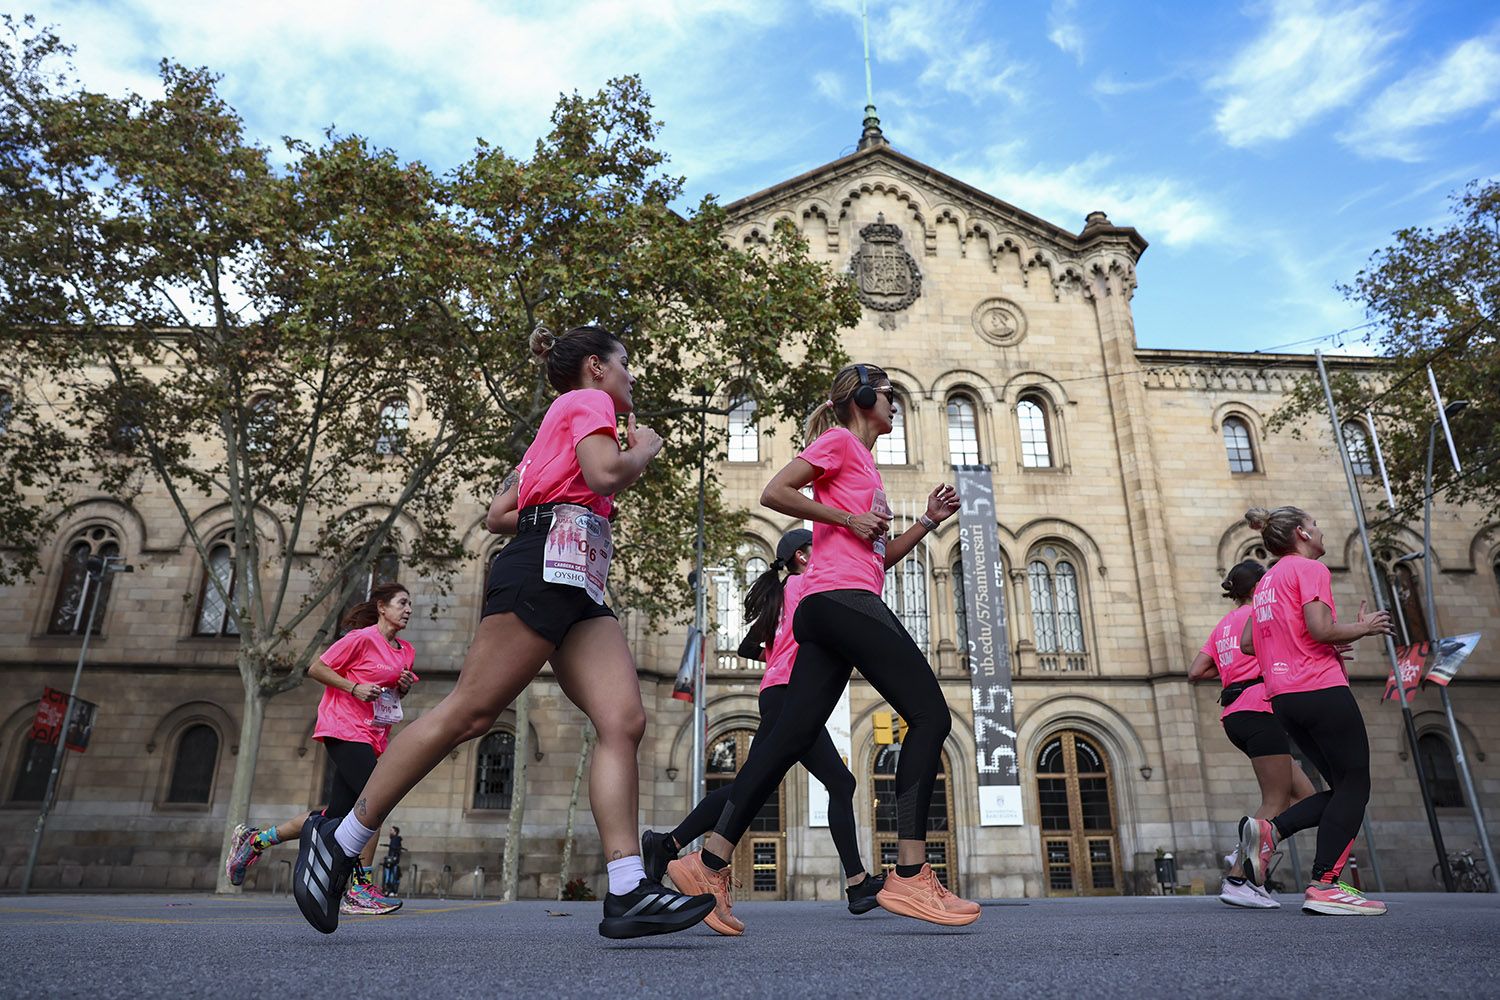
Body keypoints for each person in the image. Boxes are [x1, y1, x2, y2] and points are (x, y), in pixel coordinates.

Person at [291, 325, 713, 938]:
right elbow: (602, 476)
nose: (632, 377)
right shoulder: (587, 403)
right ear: (596, 367)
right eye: (626, 365)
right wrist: (642, 447)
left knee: (624, 720)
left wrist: (552, 501)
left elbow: (496, 512)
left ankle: (627, 890)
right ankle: (340, 839)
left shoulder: (556, 423)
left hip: (579, 576)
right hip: (544, 567)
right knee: (469, 713)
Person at [667, 362, 978, 931]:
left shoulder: (866, 464)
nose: (893, 403)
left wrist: (927, 522)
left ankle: (707, 862)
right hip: (840, 602)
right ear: (861, 399)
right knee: (931, 716)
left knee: (786, 741)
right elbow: (775, 490)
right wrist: (845, 516)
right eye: (887, 394)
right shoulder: (837, 442)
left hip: (833, 604)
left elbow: (875, 557)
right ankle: (909, 874)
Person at [642, 529, 884, 935]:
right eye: (822, 547)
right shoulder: (811, 583)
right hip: (791, 694)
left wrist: (775, 652)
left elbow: (746, 648)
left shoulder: (783, 592)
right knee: (777, 784)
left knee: (798, 782)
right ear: (805, 556)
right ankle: (668, 846)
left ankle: (667, 844)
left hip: (780, 692)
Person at [1235, 506, 1395, 916]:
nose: (1320, 530)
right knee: (1356, 784)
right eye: (1317, 524)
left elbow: (1251, 643)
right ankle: (1325, 885)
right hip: (1320, 688)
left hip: (1284, 698)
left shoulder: (1267, 580)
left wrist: (1312, 644)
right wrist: (1365, 627)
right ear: (1302, 533)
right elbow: (1320, 628)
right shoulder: (1309, 570)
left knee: (1343, 787)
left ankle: (1269, 832)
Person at [225, 583, 418, 916]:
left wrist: (400, 689)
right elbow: (316, 668)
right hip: (343, 728)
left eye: (410, 604)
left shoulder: (406, 651)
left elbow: (390, 696)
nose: (409, 609)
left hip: (373, 734)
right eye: (402, 603)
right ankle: (359, 889)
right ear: (382, 607)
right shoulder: (360, 638)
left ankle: (255, 841)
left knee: (335, 817)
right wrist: (353, 687)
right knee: (376, 801)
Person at [1188, 559, 1316, 909]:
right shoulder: (1261, 614)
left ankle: (1244, 857)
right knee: (1274, 800)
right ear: (1259, 586)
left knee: (1306, 797)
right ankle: (1238, 879)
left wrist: (1232, 670)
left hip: (1235, 713)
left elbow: (1196, 670)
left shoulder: (1223, 626)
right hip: (1260, 708)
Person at [381, 826, 404, 896]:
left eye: (391, 830)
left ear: (395, 832)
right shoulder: (394, 839)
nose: (390, 832)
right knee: (391, 876)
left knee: (390, 877)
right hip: (392, 860)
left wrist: (394, 858)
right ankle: (391, 890)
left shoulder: (395, 839)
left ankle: (390, 890)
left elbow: (396, 850)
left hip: (392, 861)